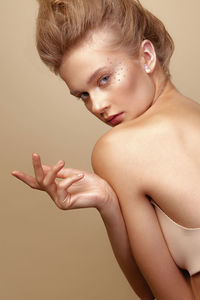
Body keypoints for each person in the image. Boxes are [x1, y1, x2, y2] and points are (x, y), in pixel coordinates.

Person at [12, 0, 200, 299]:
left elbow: (158, 296)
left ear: (147, 56)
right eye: (83, 95)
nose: (97, 106)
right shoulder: (193, 116)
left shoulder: (118, 148)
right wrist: (109, 201)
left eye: (104, 79)